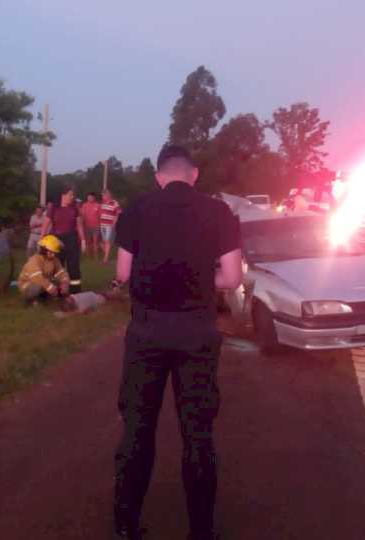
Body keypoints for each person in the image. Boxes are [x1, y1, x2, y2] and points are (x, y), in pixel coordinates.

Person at [111, 144, 242, 540]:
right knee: (198, 434)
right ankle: (201, 531)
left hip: (147, 332)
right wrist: (203, 282)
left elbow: (123, 272)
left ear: (159, 176)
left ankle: (125, 527)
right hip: (197, 333)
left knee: (137, 429)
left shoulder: (136, 210)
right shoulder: (219, 212)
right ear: (194, 174)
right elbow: (233, 279)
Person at [42, 187, 86, 293]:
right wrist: (42, 240)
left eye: (73, 195)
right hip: (56, 240)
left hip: (71, 239)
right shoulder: (53, 208)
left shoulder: (75, 208)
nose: (72, 197)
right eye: (70, 194)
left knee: (73, 266)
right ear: (63, 195)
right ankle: (58, 290)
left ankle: (75, 291)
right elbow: (45, 225)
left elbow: (79, 226)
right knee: (57, 266)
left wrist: (83, 240)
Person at [17, 235, 71, 304]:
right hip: (27, 285)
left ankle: (44, 297)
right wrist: (50, 287)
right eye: (51, 252)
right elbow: (37, 278)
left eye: (54, 253)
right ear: (44, 250)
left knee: (55, 283)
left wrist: (65, 283)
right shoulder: (35, 260)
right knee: (38, 286)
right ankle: (30, 300)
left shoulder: (54, 260)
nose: (53, 255)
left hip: (43, 283)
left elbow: (61, 273)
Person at [100, 189, 123, 264]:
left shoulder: (114, 203)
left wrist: (114, 223)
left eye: (104, 195)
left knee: (107, 242)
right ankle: (107, 256)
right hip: (102, 225)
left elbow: (119, 213)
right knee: (103, 242)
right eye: (102, 195)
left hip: (109, 225)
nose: (103, 196)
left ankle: (105, 259)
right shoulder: (103, 203)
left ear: (109, 195)